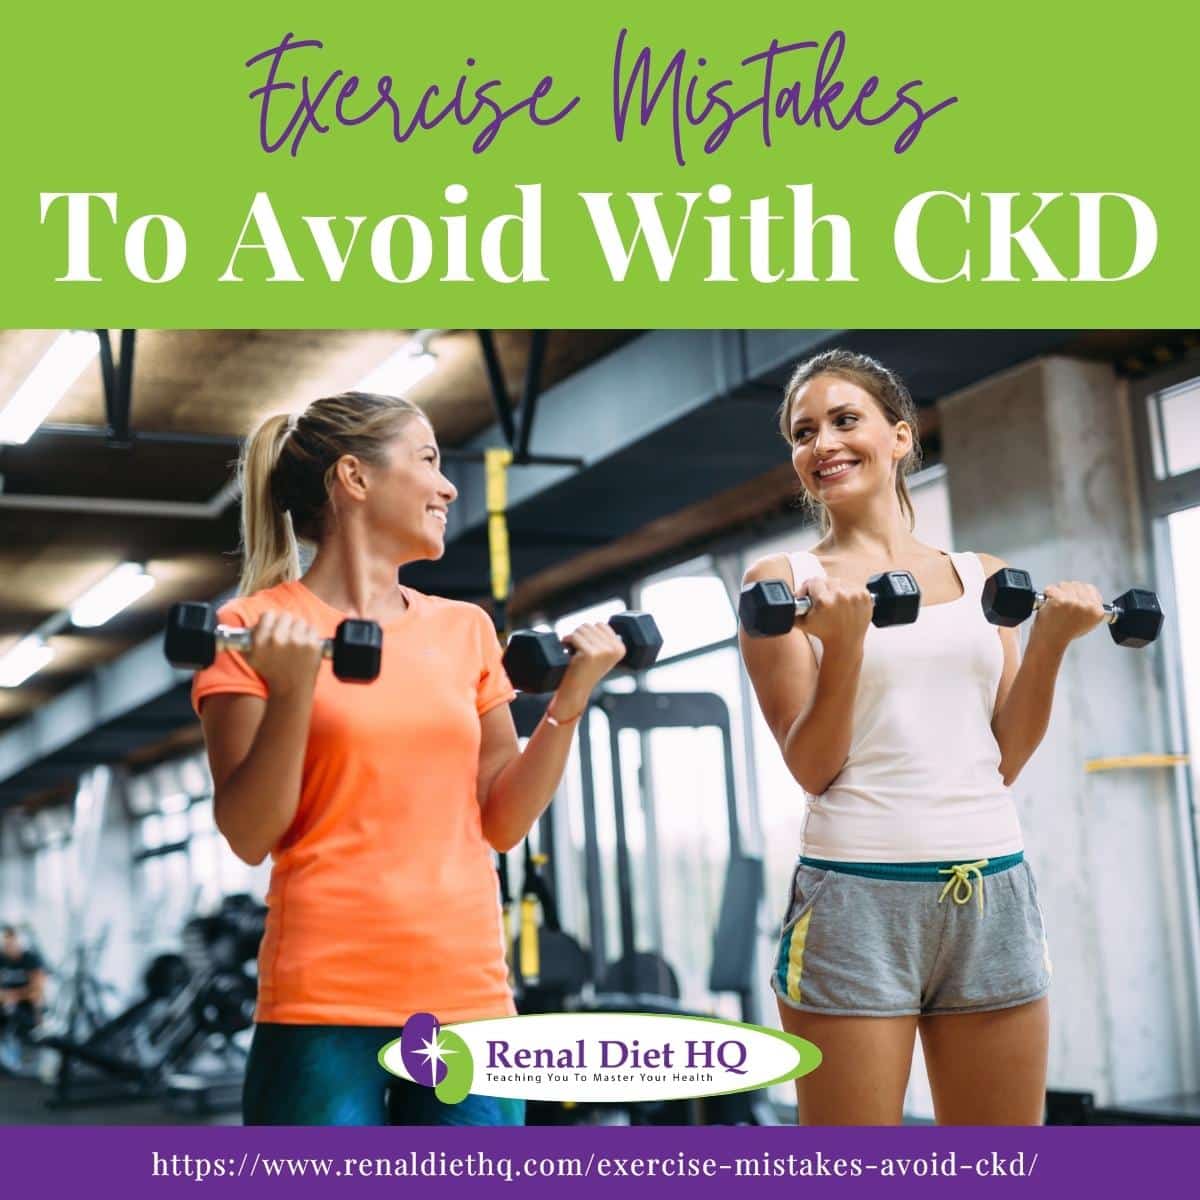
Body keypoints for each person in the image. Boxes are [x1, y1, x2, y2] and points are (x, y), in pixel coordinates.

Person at [191, 391, 625, 1126]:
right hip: (323, 997)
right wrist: (294, 693)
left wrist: (569, 702)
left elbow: (502, 820)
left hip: (466, 995)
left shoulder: (464, 630)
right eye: (429, 460)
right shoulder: (253, 628)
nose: (449, 486)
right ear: (355, 478)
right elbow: (248, 832)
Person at [740, 350, 1108, 1126]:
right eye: (803, 433)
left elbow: (1002, 756)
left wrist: (1048, 646)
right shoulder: (783, 584)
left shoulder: (983, 577)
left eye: (845, 420)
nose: (822, 444)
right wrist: (843, 647)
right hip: (857, 897)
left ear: (900, 435)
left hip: (993, 890)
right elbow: (812, 766)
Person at [0, 924, 46, 1072]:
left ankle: (31, 1053)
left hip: (27, 1007)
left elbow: (37, 990)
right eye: (6, 943)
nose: (8, 946)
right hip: (5, 1005)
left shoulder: (31, 960)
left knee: (34, 1002)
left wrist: (14, 996)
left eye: (11, 942)